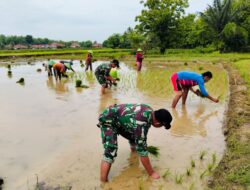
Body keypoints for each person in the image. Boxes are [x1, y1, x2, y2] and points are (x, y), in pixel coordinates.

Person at [97, 103, 173, 182]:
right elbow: (143, 151)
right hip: (108, 120)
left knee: (134, 135)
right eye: (162, 126)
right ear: (158, 123)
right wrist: (151, 173)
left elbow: (134, 127)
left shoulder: (149, 110)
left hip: (118, 118)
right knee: (111, 150)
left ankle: (133, 152)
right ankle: (103, 182)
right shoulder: (142, 124)